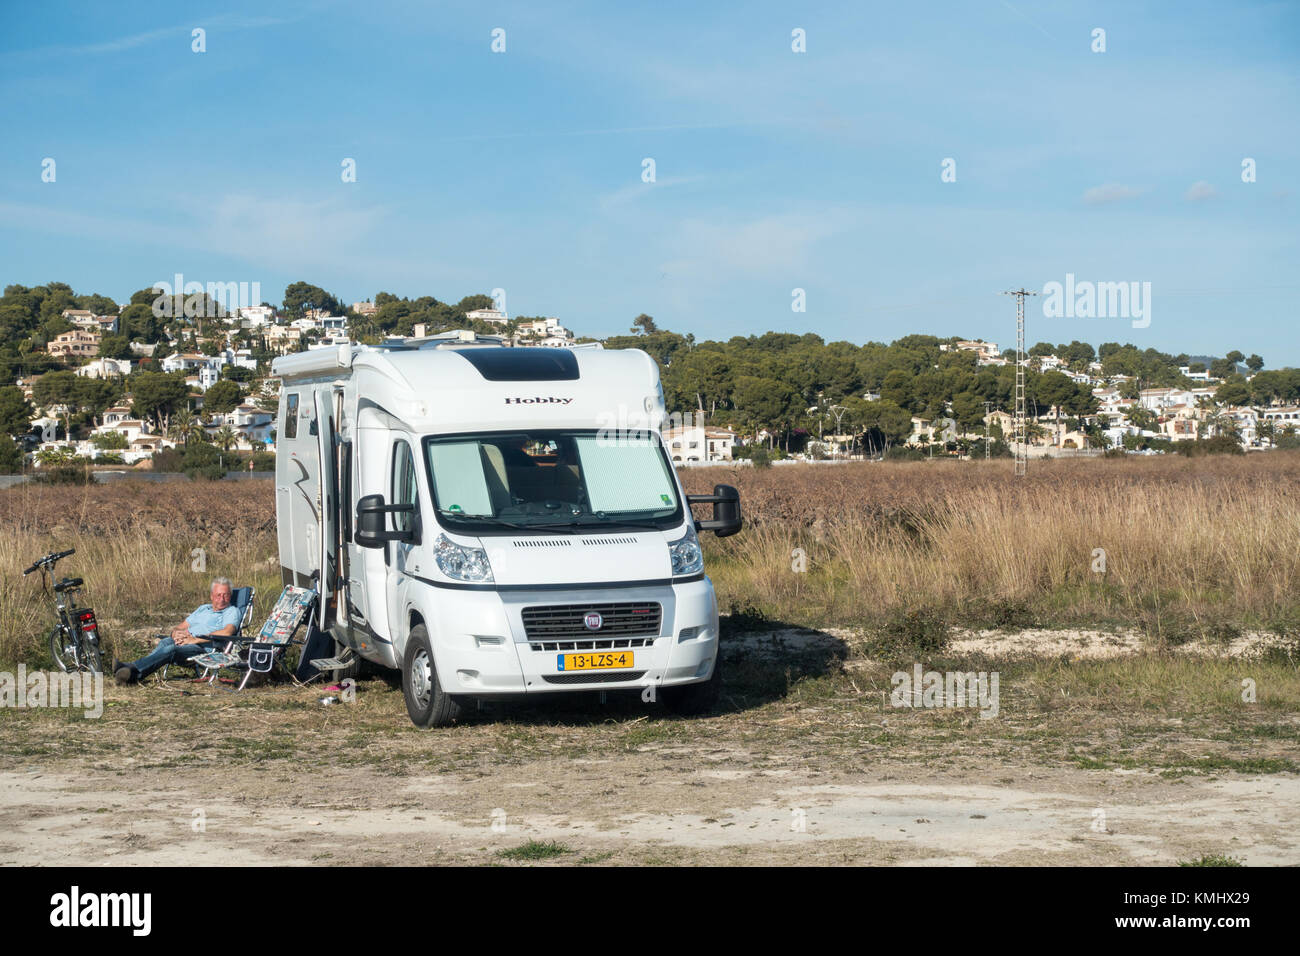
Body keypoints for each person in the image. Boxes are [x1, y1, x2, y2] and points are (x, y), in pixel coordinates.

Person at [113, 578, 242, 684]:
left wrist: (194, 639)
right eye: (218, 595)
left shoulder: (232, 611)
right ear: (211, 596)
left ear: (230, 596)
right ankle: (132, 675)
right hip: (187, 642)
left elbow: (227, 632)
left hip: (203, 649)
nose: (222, 598)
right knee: (166, 642)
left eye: (226, 595)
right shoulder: (203, 608)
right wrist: (175, 634)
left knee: (171, 650)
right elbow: (181, 626)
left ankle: (131, 669)